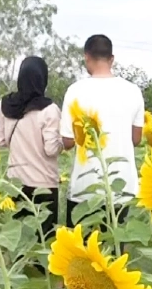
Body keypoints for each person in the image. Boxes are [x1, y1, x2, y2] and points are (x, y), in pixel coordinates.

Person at [60, 34, 145, 229]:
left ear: (86, 57)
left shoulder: (75, 91)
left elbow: (67, 141)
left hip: (85, 186)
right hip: (122, 187)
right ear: (111, 59)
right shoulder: (133, 91)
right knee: (117, 243)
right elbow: (136, 139)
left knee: (81, 245)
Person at [0, 56, 64, 245]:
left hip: (16, 183)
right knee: (44, 242)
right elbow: (51, 149)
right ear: (43, 79)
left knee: (20, 241)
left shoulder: (4, 106)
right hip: (43, 183)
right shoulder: (49, 109)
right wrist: (64, 142)